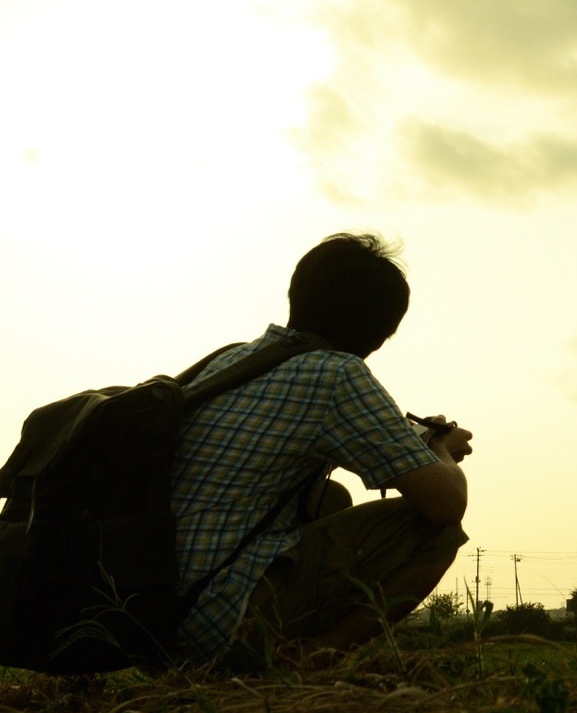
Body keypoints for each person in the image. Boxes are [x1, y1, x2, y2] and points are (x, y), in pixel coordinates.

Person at [171, 233, 472, 663]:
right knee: (436, 531)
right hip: (220, 620)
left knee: (330, 498)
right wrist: (442, 450)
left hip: (156, 615)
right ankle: (308, 662)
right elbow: (446, 503)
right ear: (383, 331)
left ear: (297, 294)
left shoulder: (231, 360)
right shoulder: (337, 375)